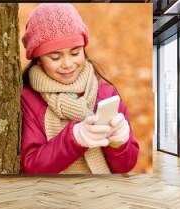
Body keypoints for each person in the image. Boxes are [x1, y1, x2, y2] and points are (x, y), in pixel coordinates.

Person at [20, 3, 139, 174]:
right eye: (55, 57)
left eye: (75, 53)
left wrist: (118, 143)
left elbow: (126, 166)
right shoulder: (29, 99)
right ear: (38, 59)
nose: (68, 64)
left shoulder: (106, 94)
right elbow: (31, 166)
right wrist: (74, 138)